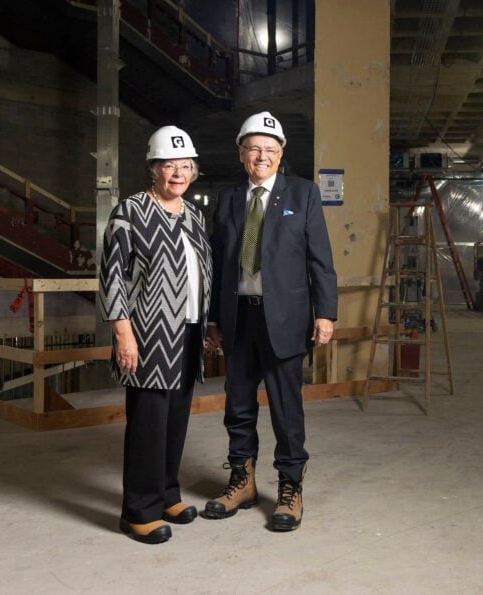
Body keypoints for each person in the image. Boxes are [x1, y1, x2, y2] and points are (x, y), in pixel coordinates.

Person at [202, 111, 338, 532]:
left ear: (281, 154)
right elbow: (215, 265)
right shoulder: (226, 199)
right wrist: (212, 319)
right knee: (238, 406)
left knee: (285, 409)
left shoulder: (304, 194)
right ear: (241, 153)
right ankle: (242, 482)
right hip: (239, 318)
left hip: (284, 319)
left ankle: (290, 486)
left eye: (270, 149)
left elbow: (320, 260)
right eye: (254, 148)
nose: (262, 156)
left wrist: (326, 313)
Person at [98, 126, 212, 545]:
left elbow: (200, 272)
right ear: (153, 169)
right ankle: (138, 512)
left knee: (175, 419)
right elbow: (112, 276)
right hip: (148, 333)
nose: (177, 174)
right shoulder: (130, 212)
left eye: (184, 166)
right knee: (148, 423)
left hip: (189, 330)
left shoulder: (194, 214)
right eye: (169, 166)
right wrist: (122, 333)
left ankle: (167, 494)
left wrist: (208, 322)